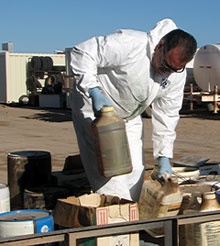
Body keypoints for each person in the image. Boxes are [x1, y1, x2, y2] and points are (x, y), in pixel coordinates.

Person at [69, 18, 197, 202]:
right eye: (165, 64)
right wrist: (93, 89)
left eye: (174, 69)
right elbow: (83, 52)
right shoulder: (131, 43)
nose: (166, 72)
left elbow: (167, 114)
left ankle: (131, 215)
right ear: (160, 46)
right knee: (111, 172)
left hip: (129, 116)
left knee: (136, 170)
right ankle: (115, 225)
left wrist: (163, 156)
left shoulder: (175, 75)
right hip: (95, 111)